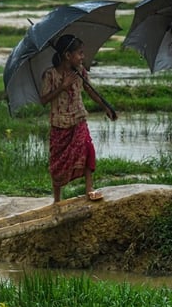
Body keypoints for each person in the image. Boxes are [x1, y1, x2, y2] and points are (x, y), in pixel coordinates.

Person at [39, 34, 117, 203]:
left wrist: (106, 107)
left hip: (78, 118)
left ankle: (89, 189)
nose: (83, 57)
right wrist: (62, 87)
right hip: (59, 123)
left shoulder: (80, 72)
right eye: (80, 53)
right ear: (68, 55)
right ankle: (57, 199)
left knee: (88, 149)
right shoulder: (50, 75)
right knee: (57, 162)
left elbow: (90, 91)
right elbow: (44, 100)